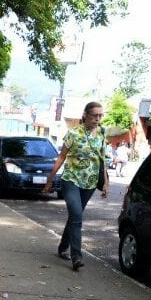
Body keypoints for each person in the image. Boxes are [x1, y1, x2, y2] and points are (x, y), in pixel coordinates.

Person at [42, 101, 109, 271]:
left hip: (90, 182)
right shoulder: (73, 133)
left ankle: (62, 248)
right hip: (71, 179)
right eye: (95, 115)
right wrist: (50, 179)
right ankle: (77, 257)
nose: (98, 119)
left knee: (74, 217)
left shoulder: (101, 133)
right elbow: (61, 157)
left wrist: (106, 182)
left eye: (100, 115)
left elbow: (103, 160)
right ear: (85, 114)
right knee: (77, 216)